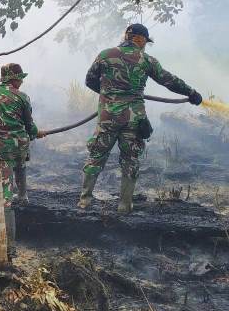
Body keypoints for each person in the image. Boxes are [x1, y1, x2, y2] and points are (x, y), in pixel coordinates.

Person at [78, 23, 203, 213]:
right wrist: (192, 93)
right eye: (146, 41)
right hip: (134, 119)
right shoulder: (147, 60)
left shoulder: (105, 55)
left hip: (108, 117)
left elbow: (89, 80)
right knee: (130, 160)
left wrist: (108, 95)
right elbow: (168, 80)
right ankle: (124, 205)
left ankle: (84, 201)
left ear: (126, 36)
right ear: (141, 39)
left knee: (96, 156)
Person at [0, 63, 45, 254]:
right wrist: (36, 133)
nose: (22, 81)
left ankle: (10, 246)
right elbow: (29, 124)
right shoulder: (22, 96)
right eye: (20, 78)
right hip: (19, 146)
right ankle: (22, 196)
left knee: (4, 196)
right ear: (14, 78)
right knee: (20, 165)